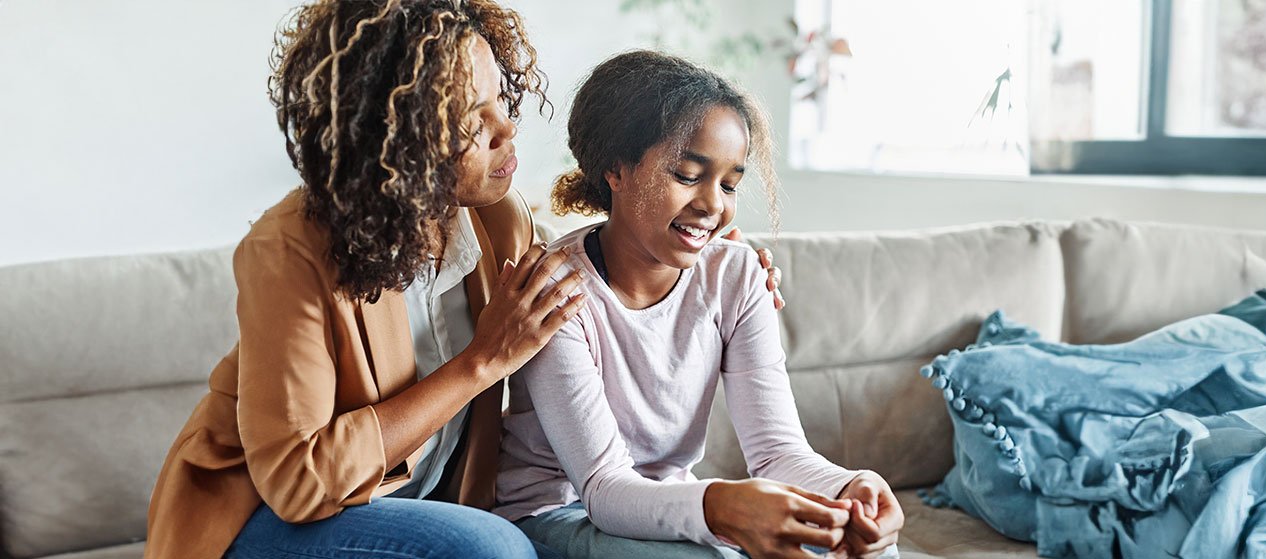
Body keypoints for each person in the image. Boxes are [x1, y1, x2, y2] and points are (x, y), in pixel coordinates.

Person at [143, 2, 783, 557]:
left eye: (502, 98)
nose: (508, 129)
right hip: (269, 519)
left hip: (427, 505)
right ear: (399, 138)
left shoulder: (498, 219)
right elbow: (298, 481)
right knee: (490, 547)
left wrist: (711, 248)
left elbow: (606, 261)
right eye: (474, 120)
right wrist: (481, 361)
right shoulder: (291, 249)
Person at [494, 50, 905, 559]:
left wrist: (850, 491)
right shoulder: (558, 294)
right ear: (615, 170)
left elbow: (777, 453)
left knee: (868, 550)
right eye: (689, 175)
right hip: (560, 514)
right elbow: (603, 488)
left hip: (668, 506)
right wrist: (721, 509)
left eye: (729, 184)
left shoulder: (737, 276)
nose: (713, 205)